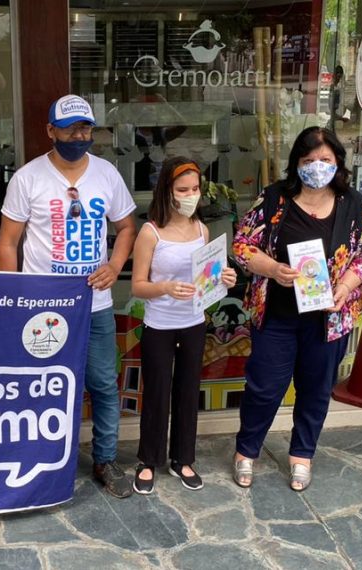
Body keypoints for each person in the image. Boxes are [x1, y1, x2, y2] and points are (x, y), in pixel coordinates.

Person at [0, 94, 138, 498]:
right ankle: (46, 461)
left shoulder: (107, 174)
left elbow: (127, 226)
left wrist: (115, 265)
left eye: (85, 128)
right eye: (70, 128)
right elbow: (8, 243)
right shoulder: (28, 178)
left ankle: (105, 460)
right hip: (44, 306)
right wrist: (15, 299)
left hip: (94, 305)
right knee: (46, 388)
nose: (79, 136)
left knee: (104, 385)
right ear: (50, 131)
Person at [231, 126, 362, 491]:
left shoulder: (353, 203)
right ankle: (246, 450)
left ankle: (302, 453)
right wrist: (272, 268)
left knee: (315, 389)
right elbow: (241, 244)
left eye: (325, 160)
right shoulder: (274, 199)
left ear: (338, 163)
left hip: (328, 319)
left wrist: (345, 287)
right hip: (277, 316)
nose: (317, 166)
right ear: (296, 163)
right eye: (308, 160)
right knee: (264, 387)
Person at [130, 157, 236, 495]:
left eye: (195, 189)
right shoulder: (150, 233)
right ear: (168, 191)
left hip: (193, 321)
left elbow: (207, 277)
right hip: (159, 324)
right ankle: (148, 460)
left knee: (189, 391)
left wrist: (224, 277)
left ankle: (183, 458)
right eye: (183, 189)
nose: (191, 195)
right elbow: (137, 286)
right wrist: (164, 288)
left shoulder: (202, 229)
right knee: (158, 391)